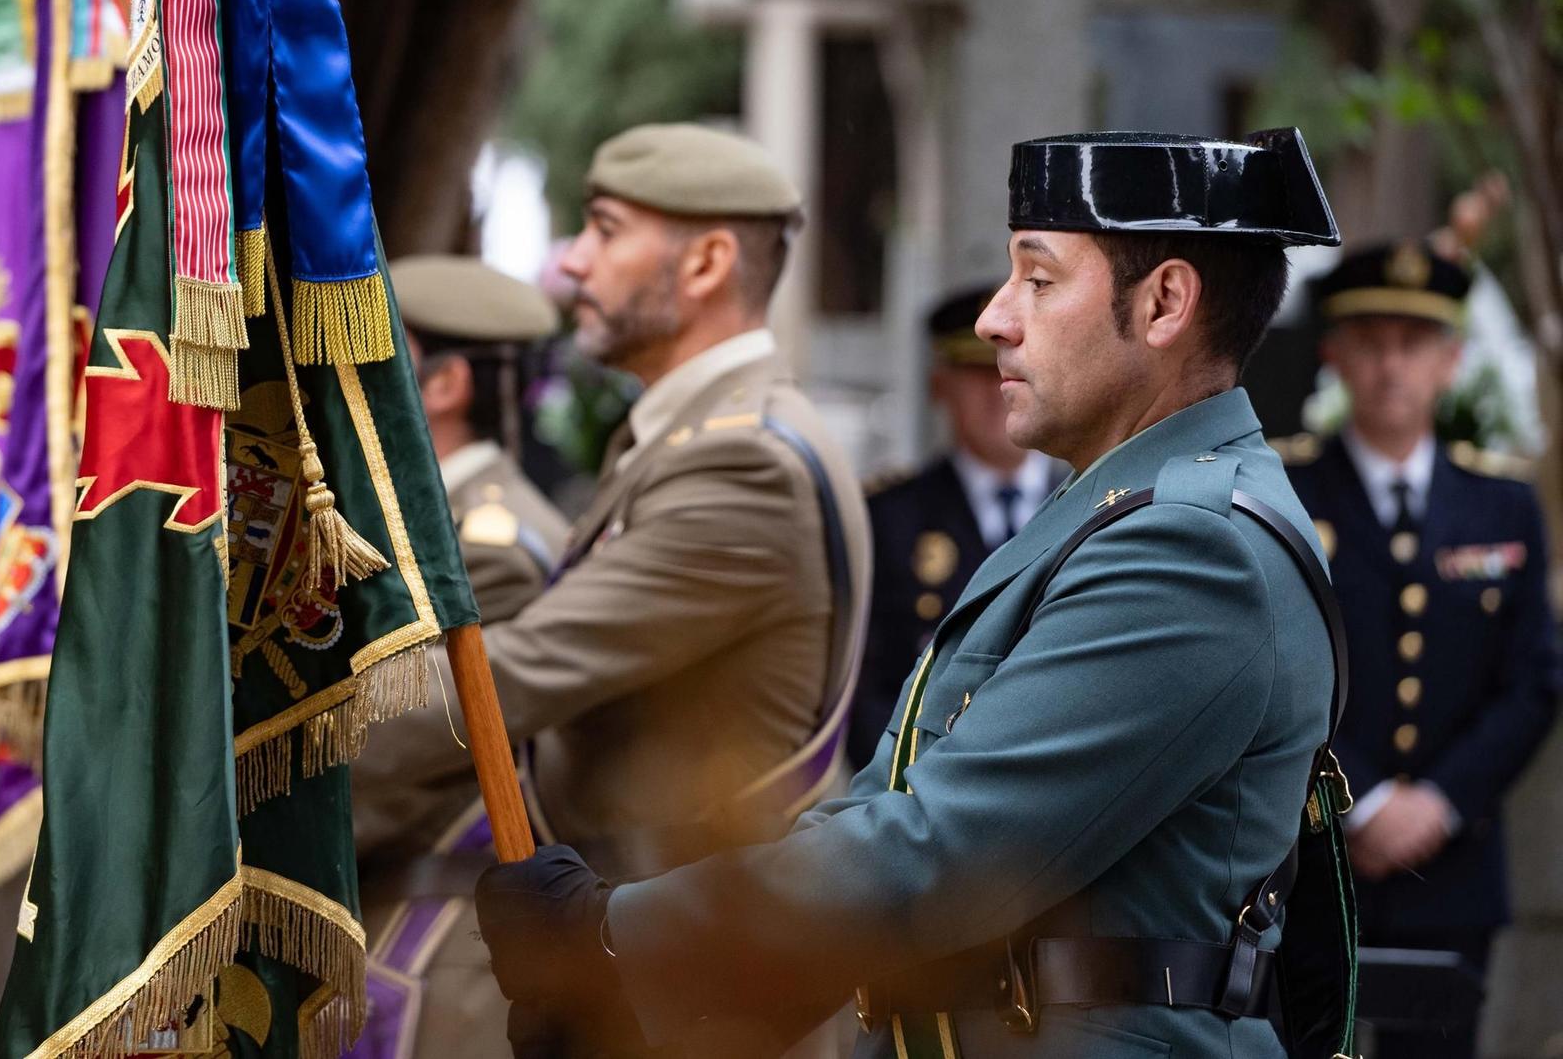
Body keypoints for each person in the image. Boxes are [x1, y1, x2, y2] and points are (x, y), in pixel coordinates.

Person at [475, 128, 1359, 1059]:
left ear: (1166, 302)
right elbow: (885, 808)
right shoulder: (1120, 509)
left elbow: (941, 852)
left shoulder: (1193, 547)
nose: (994, 319)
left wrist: (617, 937)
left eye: (1040, 279)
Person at [350, 122, 872, 1056]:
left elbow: (513, 672)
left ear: (709, 261)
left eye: (604, 229)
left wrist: (262, 743)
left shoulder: (740, 463)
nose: (572, 262)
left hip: (695, 985)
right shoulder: (695, 437)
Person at [1280, 241, 1559, 1059]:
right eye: (1370, 342)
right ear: (1334, 354)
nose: (1391, 365)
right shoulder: (1286, 496)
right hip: (1316, 857)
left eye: (1414, 343)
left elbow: (1533, 681)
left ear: (1451, 361)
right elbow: (1273, 668)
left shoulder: (1504, 506)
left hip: (1456, 867)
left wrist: (1436, 804)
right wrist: (1359, 799)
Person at [347, 255, 572, 1059]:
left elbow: (415, 749)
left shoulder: (494, 543)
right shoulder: (426, 521)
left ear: (442, 387)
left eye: (373, 352)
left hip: (429, 941)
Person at [851, 286, 1063, 766]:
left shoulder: (1093, 504)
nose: (998, 390)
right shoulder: (887, 518)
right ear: (938, 386)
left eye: (1012, 371)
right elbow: (864, 690)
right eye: (975, 373)